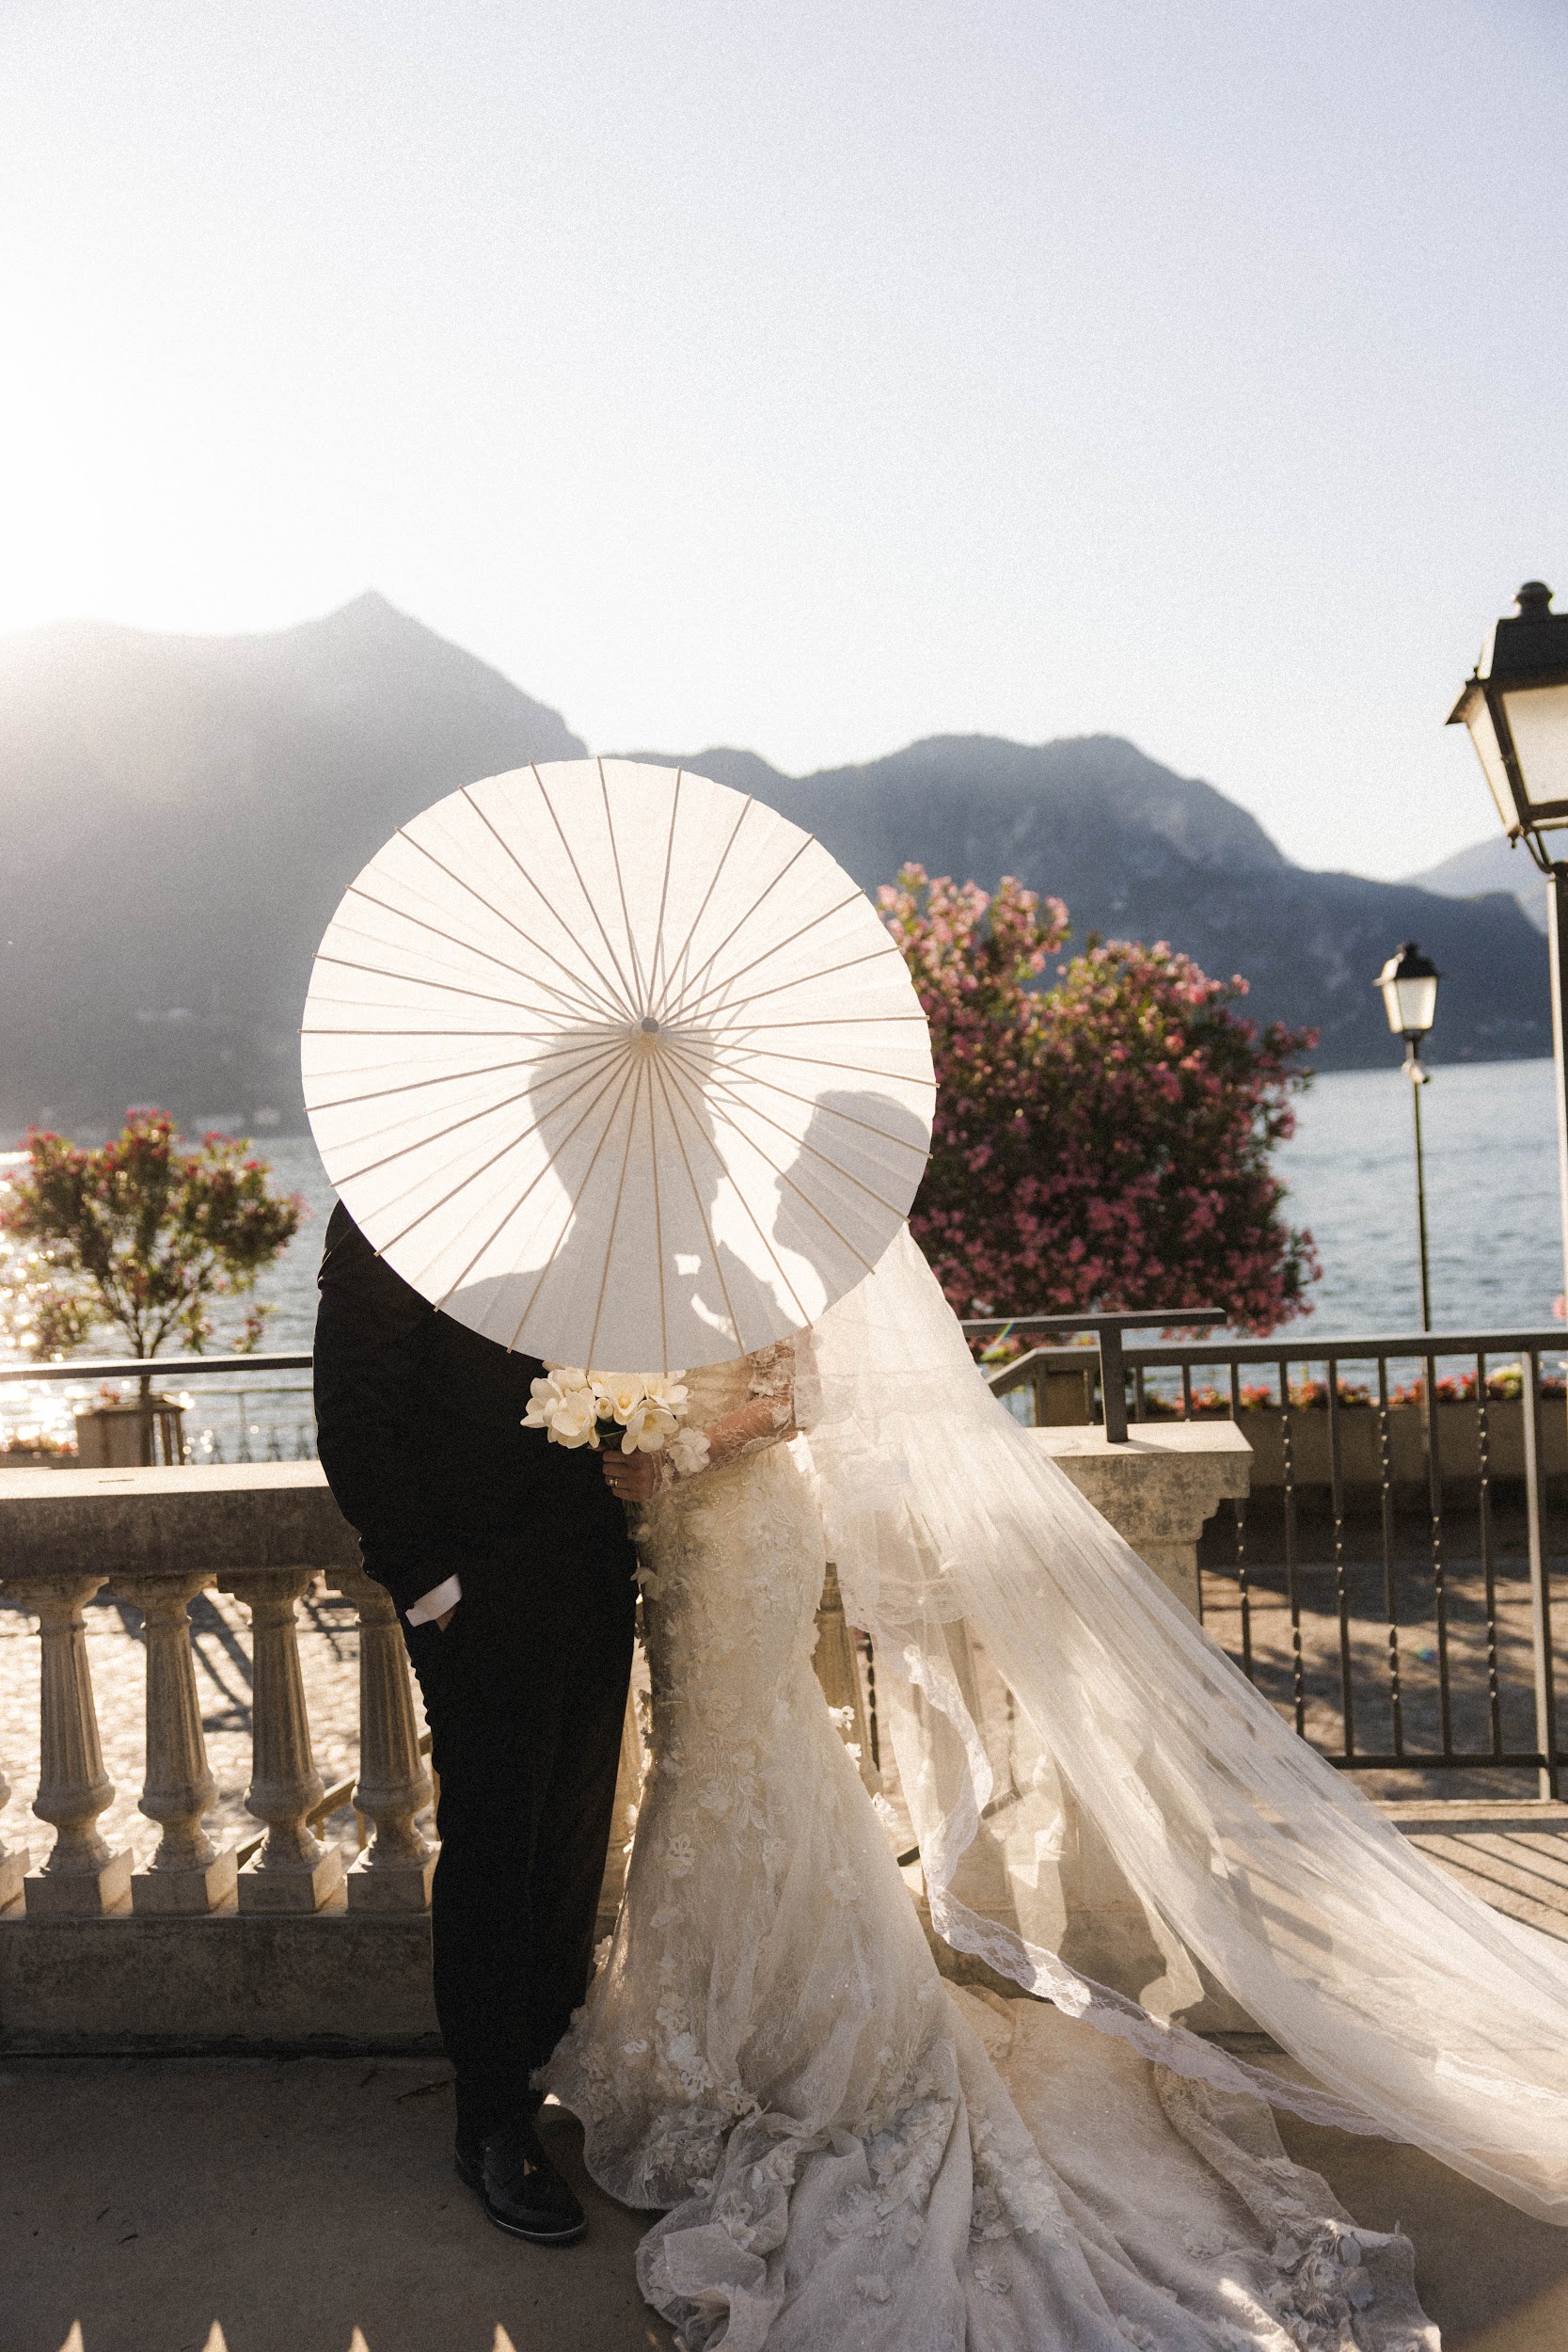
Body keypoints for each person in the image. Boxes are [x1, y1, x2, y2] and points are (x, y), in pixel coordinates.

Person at [548, 1226, 1568, 2348]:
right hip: (676, 1538)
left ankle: (797, 2036)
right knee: (707, 1764)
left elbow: (802, 1393)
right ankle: (713, 2031)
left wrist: (682, 1446)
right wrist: (618, 1420)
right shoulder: (653, 1232)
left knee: (739, 1763)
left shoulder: (773, 1238)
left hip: (742, 1525)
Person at [313, 1200, 638, 2246]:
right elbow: (351, 1414)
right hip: (475, 1596)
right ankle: (488, 2121)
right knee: (496, 1851)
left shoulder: (588, 1201)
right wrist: (431, 1588)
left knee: (572, 1845)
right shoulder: (389, 1202)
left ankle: (543, 2068)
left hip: (594, 1573)